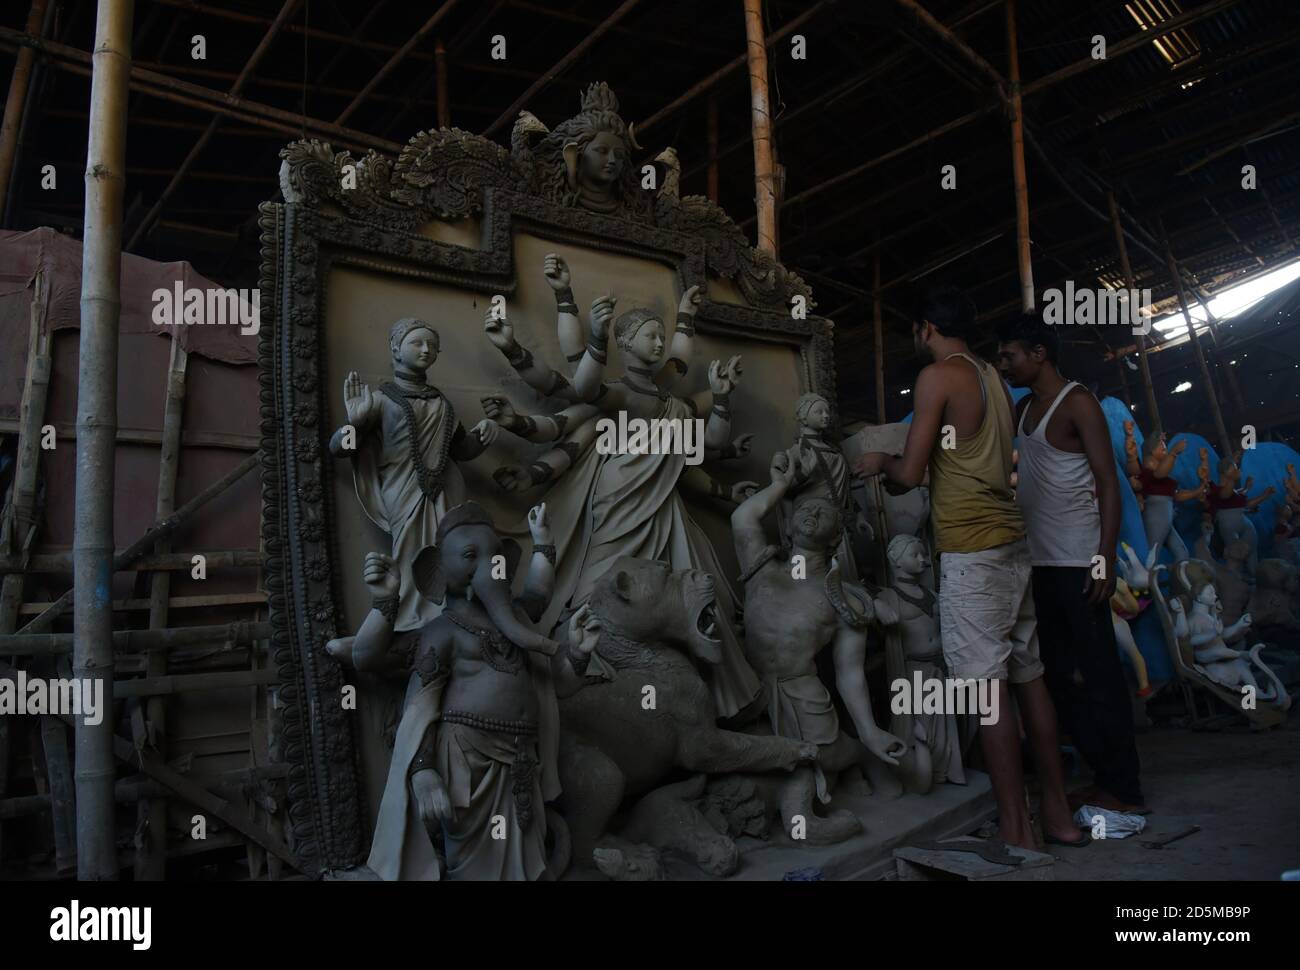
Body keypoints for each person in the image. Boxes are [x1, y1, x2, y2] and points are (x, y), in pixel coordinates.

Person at [851, 287, 1080, 850]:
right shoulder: (993, 379)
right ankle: (1058, 817)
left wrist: (879, 460)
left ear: (925, 326)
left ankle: (1015, 831)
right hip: (1011, 546)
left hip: (972, 551)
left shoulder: (939, 377)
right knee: (1030, 678)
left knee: (986, 692)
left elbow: (910, 472)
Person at [996, 313, 1146, 815]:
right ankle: (1102, 774)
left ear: (1039, 354)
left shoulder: (1077, 402)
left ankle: (1125, 790)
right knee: (1057, 677)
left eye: (1010, 355)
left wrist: (1104, 559)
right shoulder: (1022, 410)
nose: (1005, 364)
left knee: (1100, 674)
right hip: (1040, 563)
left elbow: (1108, 482)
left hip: (1080, 561)